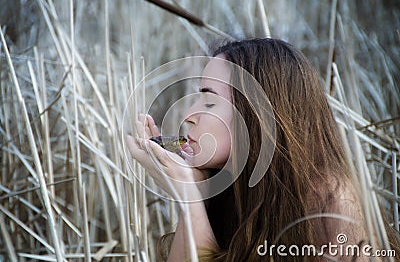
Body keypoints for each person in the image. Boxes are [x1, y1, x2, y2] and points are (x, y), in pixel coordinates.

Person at [126, 38, 398, 261]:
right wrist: (192, 195)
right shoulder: (228, 188)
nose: (188, 114)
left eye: (209, 101)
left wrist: (189, 195)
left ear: (257, 114)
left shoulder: (331, 201)